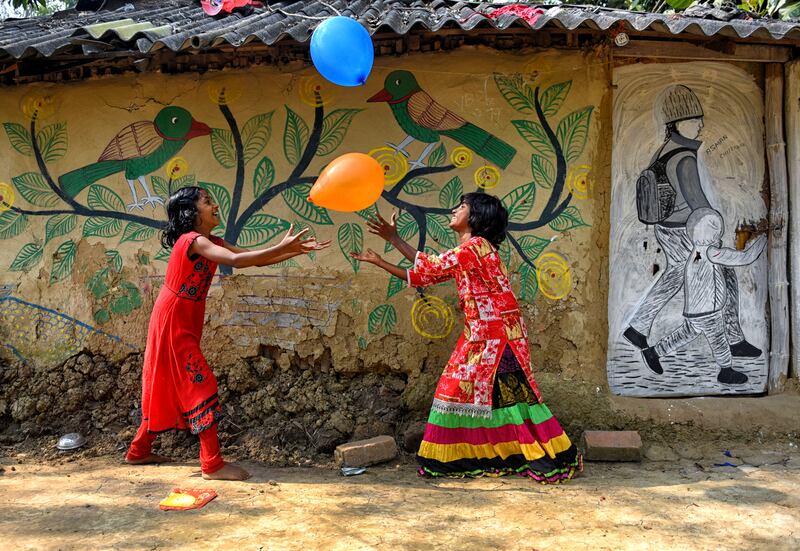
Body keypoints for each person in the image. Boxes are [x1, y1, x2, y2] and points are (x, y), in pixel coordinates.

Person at [352, 193, 582, 481]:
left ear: (476, 217)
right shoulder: (469, 252)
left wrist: (394, 240)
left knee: (497, 397)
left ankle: (522, 453)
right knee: (501, 400)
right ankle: (498, 454)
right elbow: (426, 276)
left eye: (461, 207)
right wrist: (379, 260)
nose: (453, 209)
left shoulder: (475, 247)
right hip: (484, 333)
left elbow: (432, 266)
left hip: (497, 336)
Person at [125, 186, 329, 480]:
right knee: (200, 383)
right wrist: (282, 247)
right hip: (173, 321)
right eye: (207, 202)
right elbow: (234, 261)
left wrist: (288, 251)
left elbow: (251, 259)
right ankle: (211, 464)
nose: (215, 206)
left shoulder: (211, 241)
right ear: (192, 213)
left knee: (166, 383)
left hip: (181, 317)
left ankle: (138, 451)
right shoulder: (192, 241)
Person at [623, 85, 761, 359]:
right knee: (726, 273)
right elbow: (698, 204)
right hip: (688, 231)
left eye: (699, 119)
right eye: (694, 119)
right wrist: (715, 232)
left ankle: (637, 328)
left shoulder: (664, 150)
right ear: (677, 123)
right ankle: (734, 339)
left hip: (666, 229)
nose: (700, 124)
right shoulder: (684, 158)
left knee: (675, 274)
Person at [641, 208, 766, 385]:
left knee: (684, 335)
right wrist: (763, 239)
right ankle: (726, 371)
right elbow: (744, 258)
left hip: (694, 311)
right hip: (708, 312)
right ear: (714, 233)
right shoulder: (711, 253)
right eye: (718, 230)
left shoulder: (695, 253)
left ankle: (653, 352)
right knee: (719, 340)